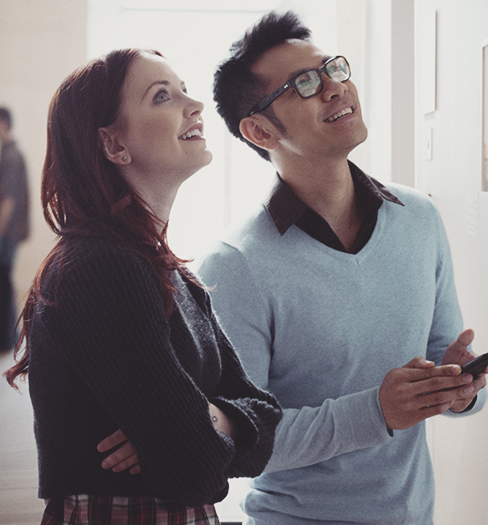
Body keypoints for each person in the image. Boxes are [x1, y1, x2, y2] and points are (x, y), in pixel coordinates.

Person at [197, 10, 488, 525]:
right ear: (259, 130)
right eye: (304, 84)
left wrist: (458, 389)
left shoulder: (420, 218)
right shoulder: (235, 266)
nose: (335, 88)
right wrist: (378, 411)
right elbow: (242, 442)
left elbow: (441, 363)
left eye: (333, 69)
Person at [3, 49, 283, 525]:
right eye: (162, 97)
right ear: (114, 146)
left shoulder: (171, 272)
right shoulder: (100, 266)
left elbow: (266, 418)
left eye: (184, 89)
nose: (194, 105)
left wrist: (205, 418)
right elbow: (193, 465)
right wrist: (193, 432)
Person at [0, 106, 30, 353]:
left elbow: (8, 201)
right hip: (8, 234)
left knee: (3, 284)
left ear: (4, 124)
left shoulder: (10, 156)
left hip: (5, 234)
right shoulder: (9, 154)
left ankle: (7, 340)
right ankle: (9, 336)